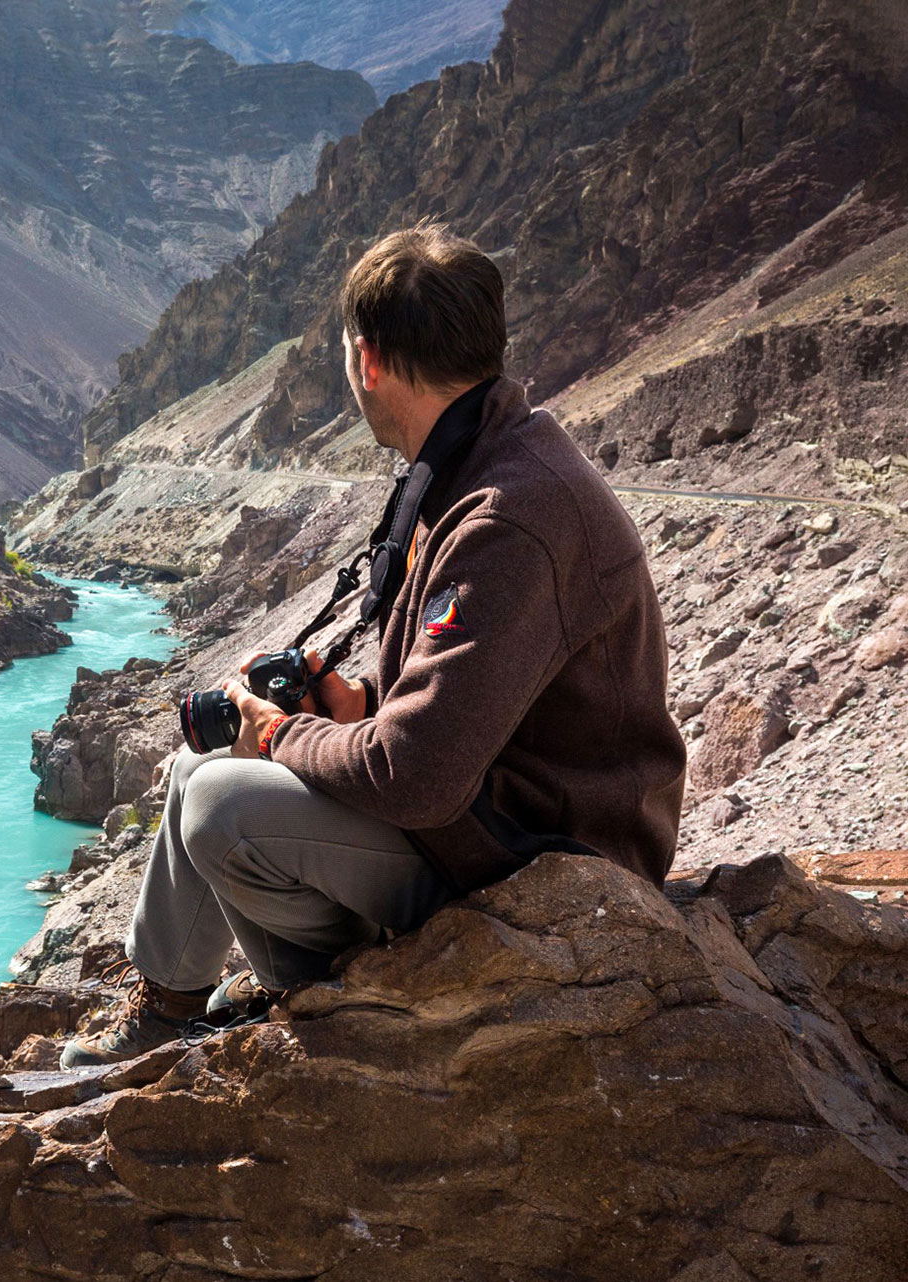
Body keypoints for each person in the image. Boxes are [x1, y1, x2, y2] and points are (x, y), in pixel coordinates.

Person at [63, 225, 687, 1067]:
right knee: (192, 770)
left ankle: (325, 995)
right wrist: (355, 709)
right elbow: (468, 704)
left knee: (222, 803)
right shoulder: (481, 463)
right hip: (493, 815)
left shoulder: (510, 517)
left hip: (551, 858)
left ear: (370, 361)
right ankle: (172, 1004)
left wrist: (281, 734)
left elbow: (418, 775)